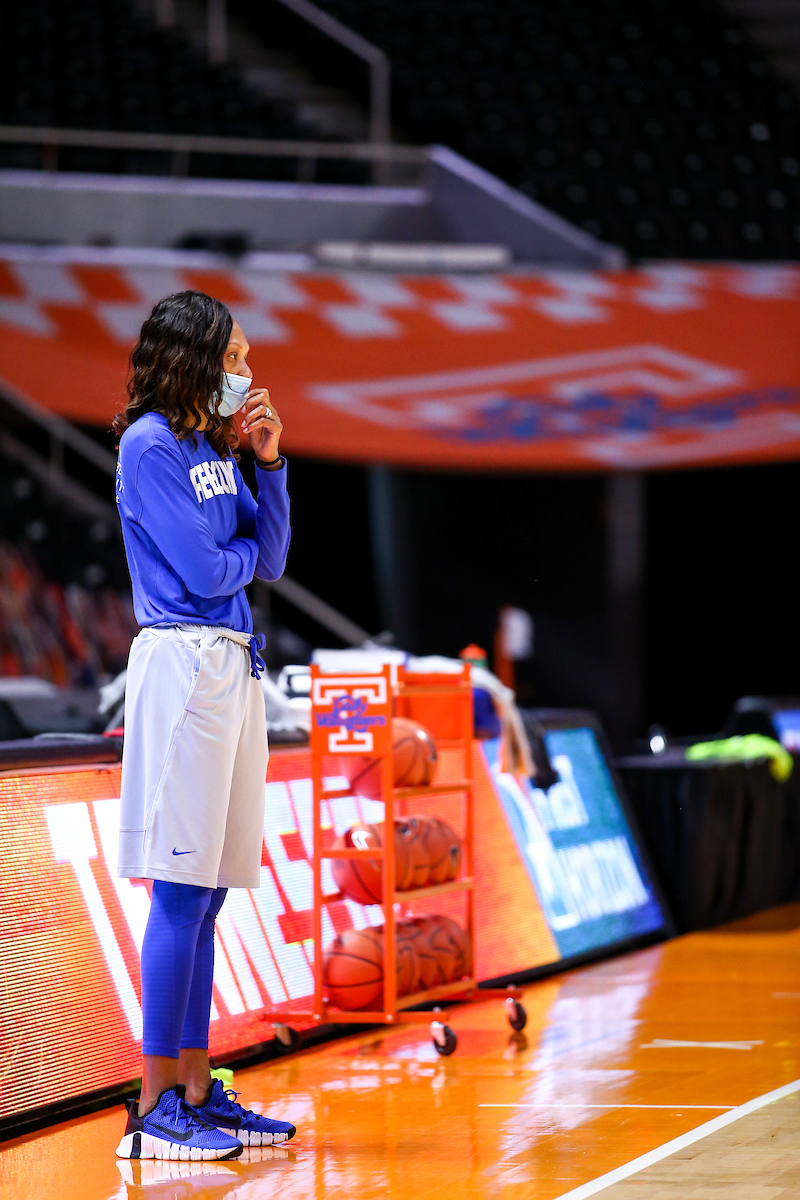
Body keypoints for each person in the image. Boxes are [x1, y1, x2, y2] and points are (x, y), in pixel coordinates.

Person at [112, 291, 296, 1161]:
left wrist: (268, 464)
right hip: (183, 663)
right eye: (233, 361)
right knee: (180, 892)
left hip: (230, 658)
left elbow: (273, 559)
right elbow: (208, 564)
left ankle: (195, 1087)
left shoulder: (212, 448)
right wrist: (240, 561)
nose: (245, 376)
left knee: (212, 894)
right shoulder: (149, 446)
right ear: (193, 360)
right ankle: (152, 1109)